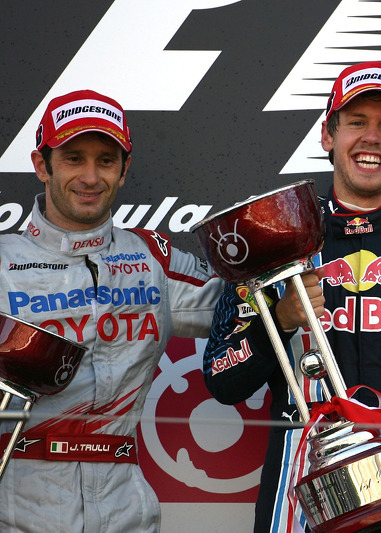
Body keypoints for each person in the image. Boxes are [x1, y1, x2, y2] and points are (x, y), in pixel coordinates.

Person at [203, 62, 381, 533]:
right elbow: (222, 379)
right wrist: (280, 318)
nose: (371, 138)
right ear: (327, 135)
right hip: (299, 497)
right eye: (356, 123)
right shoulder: (269, 248)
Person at [0, 89, 224, 532]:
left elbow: (245, 307)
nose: (90, 176)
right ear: (42, 165)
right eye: (73, 158)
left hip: (127, 508)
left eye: (105, 160)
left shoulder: (152, 259)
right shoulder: (3, 261)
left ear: (123, 171)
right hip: (19, 502)